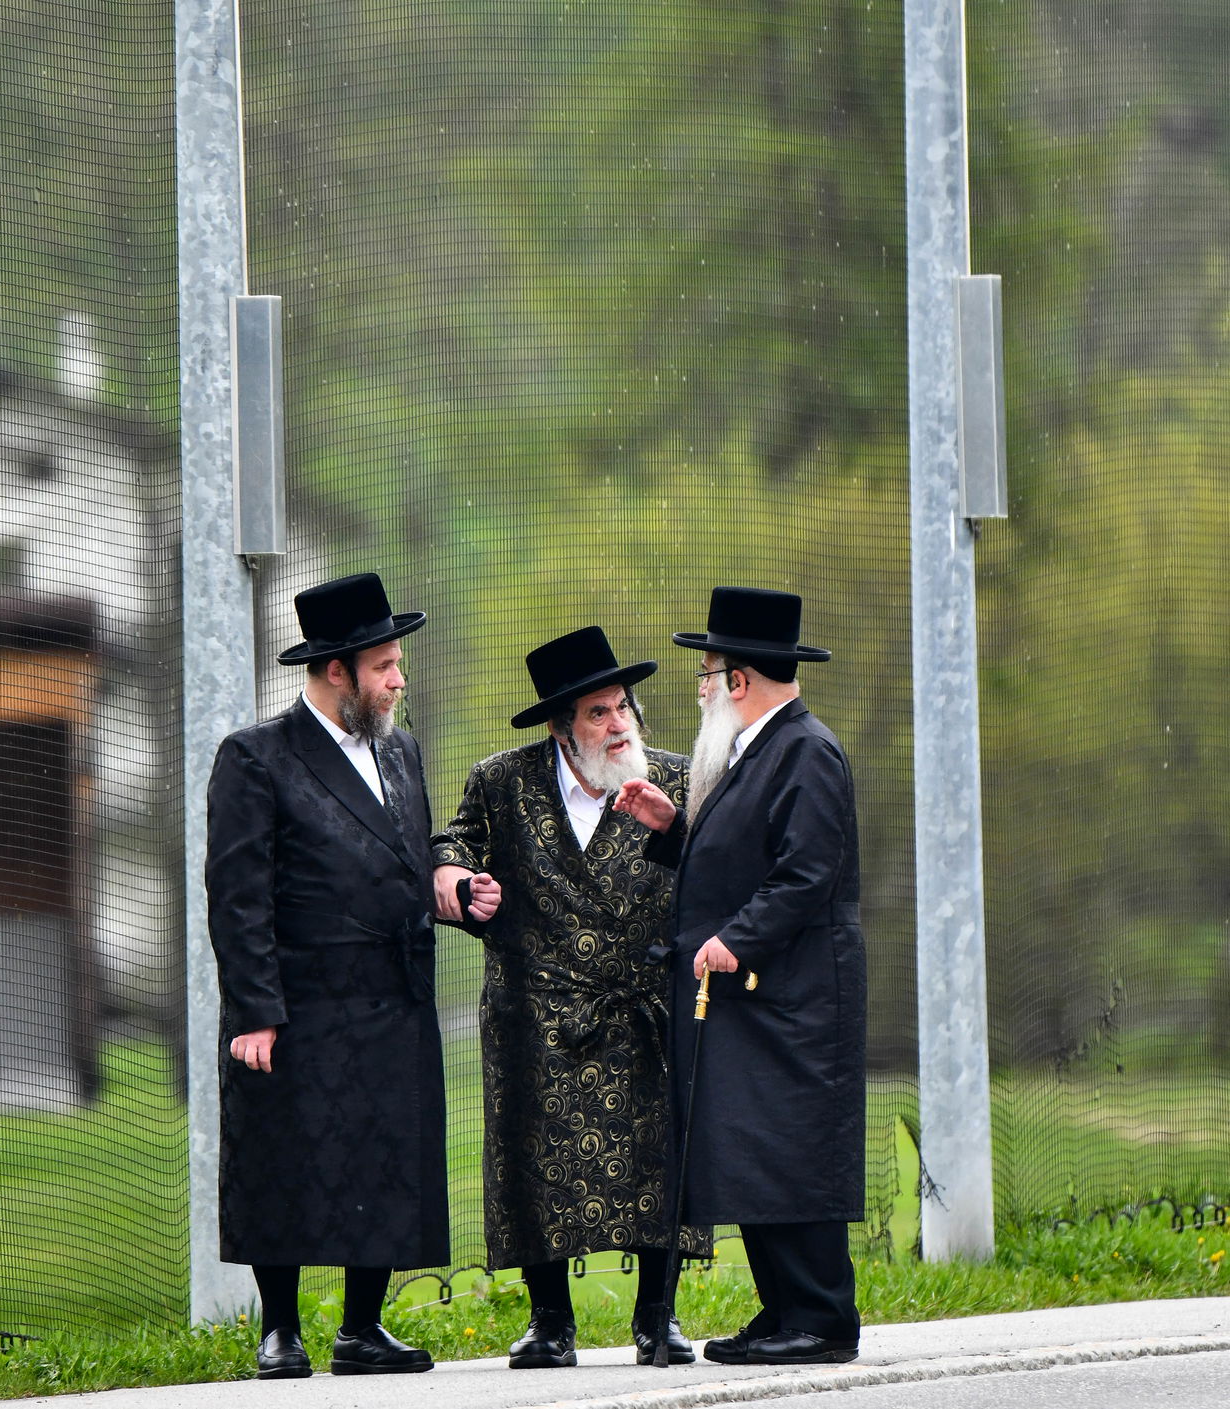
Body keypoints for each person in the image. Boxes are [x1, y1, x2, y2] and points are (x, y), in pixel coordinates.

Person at [206, 571, 501, 1379]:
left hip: (393, 997)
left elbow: (408, 853)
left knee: (386, 1157)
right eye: (384, 665)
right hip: (300, 1003)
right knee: (287, 1158)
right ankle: (282, 1329)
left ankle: (363, 1329)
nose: (399, 678)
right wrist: (254, 1010)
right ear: (337, 670)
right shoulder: (256, 757)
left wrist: (450, 883)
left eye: (396, 662)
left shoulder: (399, 748)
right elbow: (237, 898)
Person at [432, 625, 706, 1372]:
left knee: (658, 1158)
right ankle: (549, 1320)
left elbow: (720, 870)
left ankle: (658, 1317)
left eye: (623, 707)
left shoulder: (676, 782)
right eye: (597, 712)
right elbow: (449, 847)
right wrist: (461, 888)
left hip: (642, 1006)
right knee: (534, 1160)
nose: (618, 724)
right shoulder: (503, 781)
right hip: (541, 1016)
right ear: (560, 724)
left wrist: (676, 827)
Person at [616, 586, 866, 1369]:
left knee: (793, 1149)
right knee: (756, 1150)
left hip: (794, 997)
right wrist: (673, 829)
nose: (698, 686)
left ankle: (822, 1317)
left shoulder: (806, 749)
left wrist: (737, 939)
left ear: (738, 680)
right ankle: (782, 1310)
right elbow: (746, 855)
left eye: (706, 670)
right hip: (755, 999)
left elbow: (805, 872)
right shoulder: (758, 749)